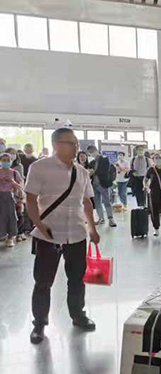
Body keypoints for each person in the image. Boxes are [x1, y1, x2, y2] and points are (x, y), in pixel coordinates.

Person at [25, 127, 100, 344]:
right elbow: (30, 199)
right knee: (43, 282)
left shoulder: (81, 171)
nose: (76, 147)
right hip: (48, 235)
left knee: (77, 279)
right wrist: (39, 225)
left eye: (76, 143)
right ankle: (39, 324)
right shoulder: (40, 167)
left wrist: (92, 229)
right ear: (57, 145)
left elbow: (86, 202)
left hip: (76, 234)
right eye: (71, 143)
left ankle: (78, 315)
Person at [86, 145, 116, 227]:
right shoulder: (91, 162)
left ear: (97, 150)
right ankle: (101, 218)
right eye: (90, 152)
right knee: (97, 202)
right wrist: (89, 173)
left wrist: (94, 171)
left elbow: (105, 171)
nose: (92, 153)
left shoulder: (105, 159)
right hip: (94, 185)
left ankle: (111, 219)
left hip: (104, 184)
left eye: (93, 151)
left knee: (107, 201)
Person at [0, 152, 24, 247]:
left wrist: (12, 182)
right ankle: (2, 234)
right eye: (3, 160)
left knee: (11, 217)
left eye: (8, 160)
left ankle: (11, 237)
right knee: (1, 216)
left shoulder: (14, 173)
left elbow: (20, 187)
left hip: (10, 197)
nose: (6, 162)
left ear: (11, 161)